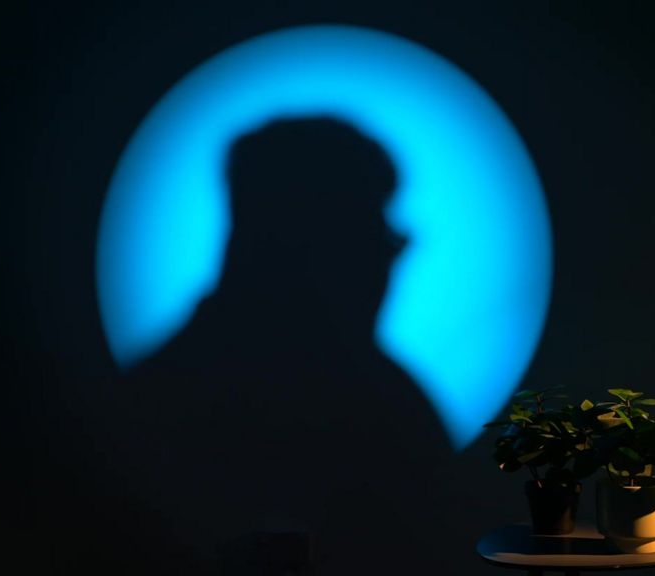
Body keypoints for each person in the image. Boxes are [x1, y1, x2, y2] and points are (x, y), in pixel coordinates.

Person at [116, 117, 451, 574]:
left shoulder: (140, 404)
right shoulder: (390, 412)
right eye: (373, 233)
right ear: (304, 241)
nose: (388, 258)